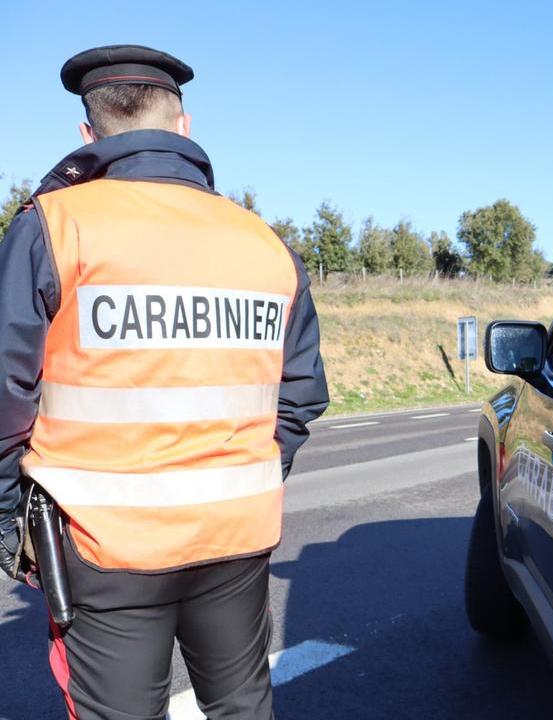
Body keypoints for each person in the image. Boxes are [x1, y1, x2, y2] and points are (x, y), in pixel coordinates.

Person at [0, 45, 328, 719]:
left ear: (88, 133)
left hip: (103, 543)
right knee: (242, 704)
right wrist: (249, 475)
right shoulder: (263, 241)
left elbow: (7, 391)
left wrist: (8, 520)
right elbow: (301, 394)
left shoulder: (54, 226)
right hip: (235, 535)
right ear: (184, 125)